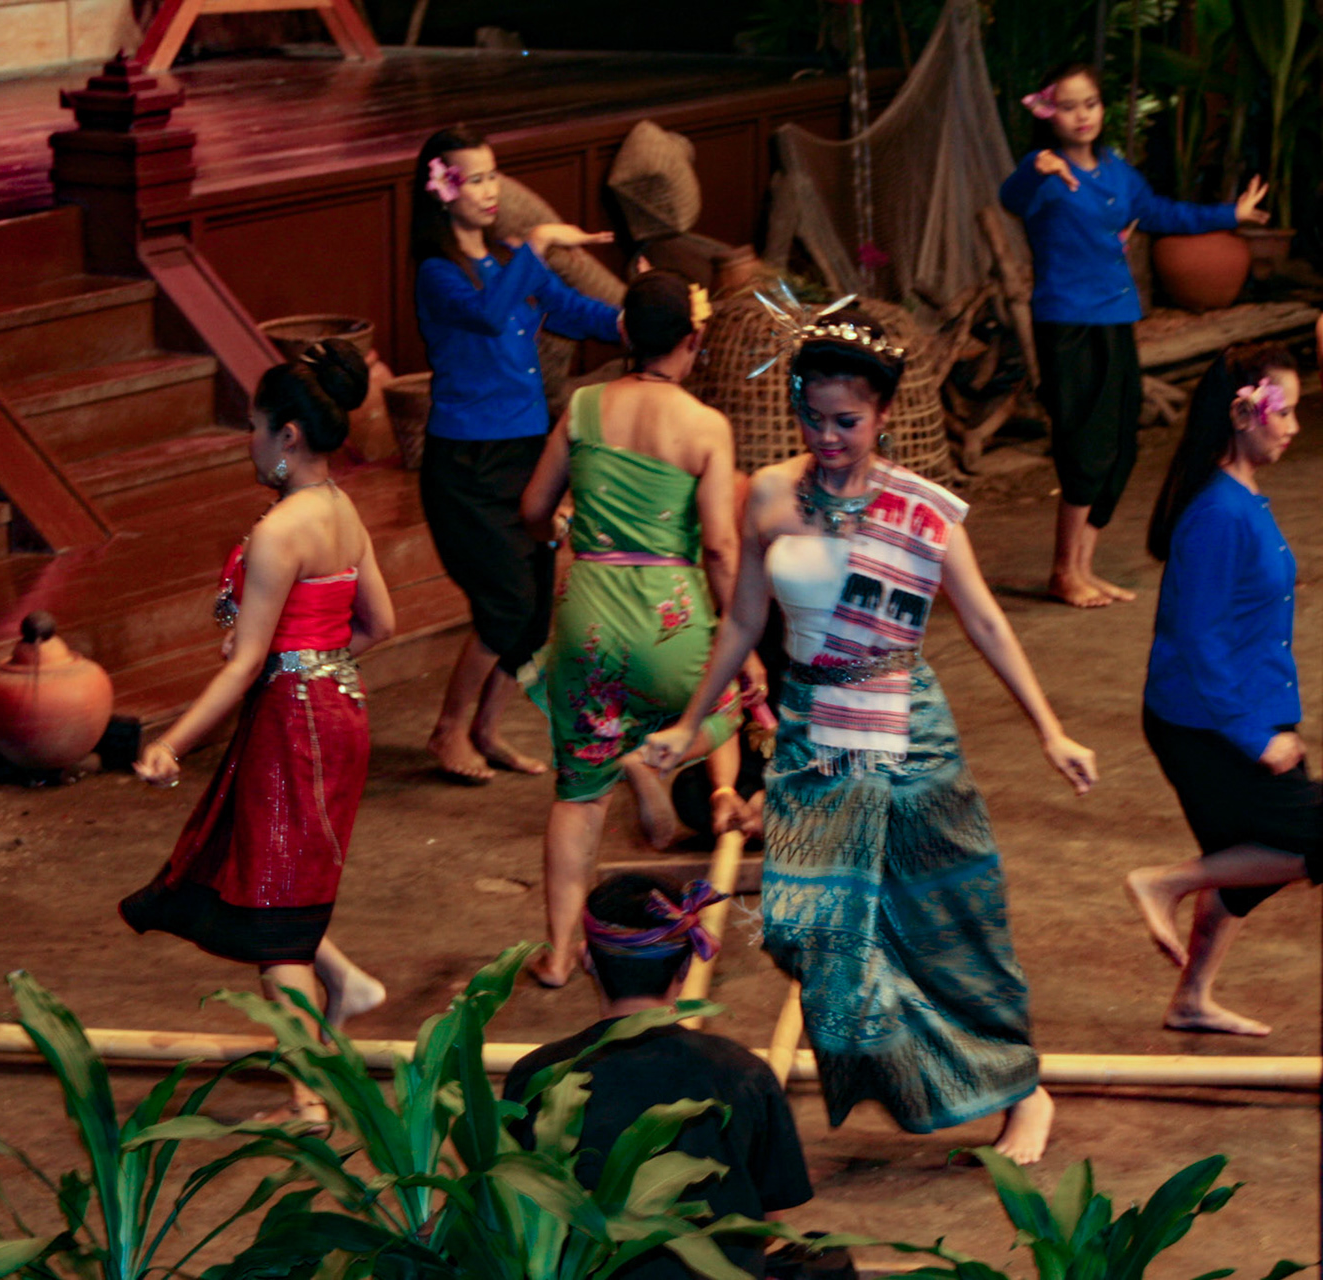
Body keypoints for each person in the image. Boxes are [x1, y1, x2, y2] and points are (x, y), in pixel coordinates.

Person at [642, 308, 1097, 1165]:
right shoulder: (769, 493)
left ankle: (1019, 1091)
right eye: (811, 417)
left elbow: (986, 623)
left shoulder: (922, 512)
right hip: (811, 733)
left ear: (884, 413)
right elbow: (741, 620)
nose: (826, 436)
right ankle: (943, 1069)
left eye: (846, 421)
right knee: (804, 931)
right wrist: (691, 721)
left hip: (906, 736)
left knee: (944, 927)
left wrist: (1052, 730)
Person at [122, 340, 394, 1126]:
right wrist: (317, 662)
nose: (248, 440)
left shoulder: (283, 531)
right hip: (338, 711)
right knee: (274, 869)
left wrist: (170, 742)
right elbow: (380, 623)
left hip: (294, 725)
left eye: (254, 426)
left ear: (288, 435)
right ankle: (343, 981)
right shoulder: (342, 510)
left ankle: (308, 1096)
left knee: (275, 910)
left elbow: (243, 665)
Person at [518, 270, 754, 987]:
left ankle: (560, 953)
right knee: (722, 705)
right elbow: (720, 548)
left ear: (623, 332)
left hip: (588, 610)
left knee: (577, 791)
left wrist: (569, 535)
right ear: (694, 339)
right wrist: (738, 636)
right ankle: (655, 762)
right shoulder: (706, 426)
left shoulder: (584, 407)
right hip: (668, 611)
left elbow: (533, 510)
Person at [1000, 62, 1269, 609]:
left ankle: (1083, 567)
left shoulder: (1117, 173)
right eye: (1069, 106)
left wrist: (1230, 213)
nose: (1082, 115)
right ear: (1049, 113)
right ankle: (1063, 571)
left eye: (1090, 103)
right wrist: (1037, 169)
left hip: (1116, 320)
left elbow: (1162, 212)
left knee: (1120, 446)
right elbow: (1012, 198)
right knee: (1086, 446)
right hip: (1068, 324)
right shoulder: (1042, 170)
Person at [411, 125, 623, 781]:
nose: (489, 189)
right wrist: (538, 244)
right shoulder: (438, 273)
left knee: (533, 610)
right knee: (504, 603)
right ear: (442, 190)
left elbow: (572, 309)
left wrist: (643, 321)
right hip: (468, 467)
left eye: (492, 176)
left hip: (527, 454)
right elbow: (486, 314)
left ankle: (486, 729)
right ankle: (448, 731)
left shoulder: (509, 263)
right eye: (474, 179)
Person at [1125, 342, 1318, 1036]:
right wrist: (1253, 738)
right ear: (1243, 415)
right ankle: (1163, 882)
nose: (1294, 426)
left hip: (1250, 708)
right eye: (1283, 412)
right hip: (1207, 723)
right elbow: (1197, 640)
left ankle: (1191, 999)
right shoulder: (1218, 513)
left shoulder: (1241, 499)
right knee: (1298, 841)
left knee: (1246, 860)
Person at [503, 873, 812, 1278]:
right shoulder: (744, 1073)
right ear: (686, 964)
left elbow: (509, 1210)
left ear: (587, 959)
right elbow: (768, 1221)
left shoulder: (538, 1075)